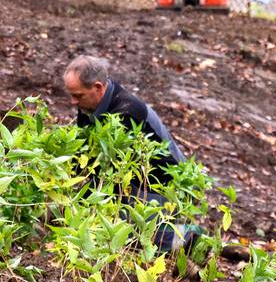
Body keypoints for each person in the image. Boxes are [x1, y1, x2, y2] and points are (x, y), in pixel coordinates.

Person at [63, 55, 198, 254]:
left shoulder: (127, 112)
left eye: (78, 95)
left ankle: (185, 237)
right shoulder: (90, 104)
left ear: (98, 87)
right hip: (135, 180)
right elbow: (85, 152)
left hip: (167, 187)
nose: (73, 101)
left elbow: (107, 172)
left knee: (119, 233)